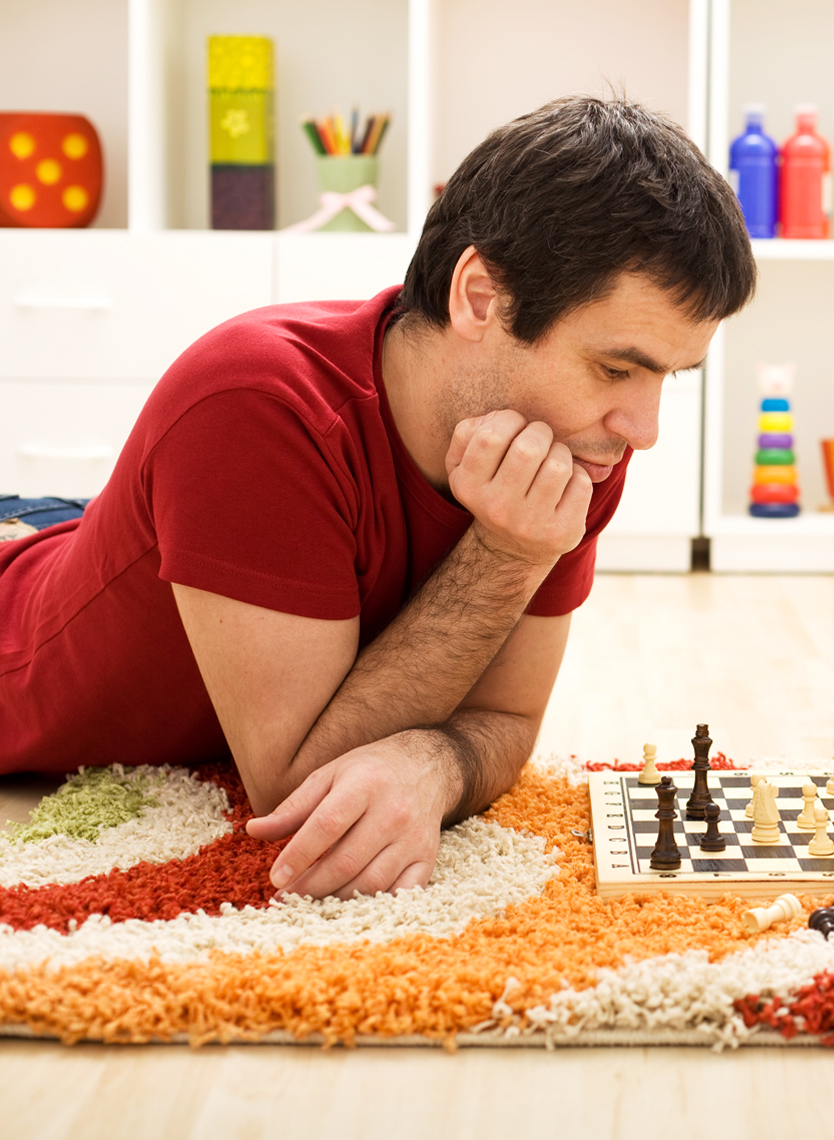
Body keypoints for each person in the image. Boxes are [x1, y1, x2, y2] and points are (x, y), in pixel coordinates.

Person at [0, 96, 756, 897]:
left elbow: (505, 723)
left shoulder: (575, 442)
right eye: (616, 368)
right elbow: (296, 788)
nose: (643, 429)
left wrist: (433, 761)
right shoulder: (255, 405)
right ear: (480, 297)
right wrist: (508, 552)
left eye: (666, 377)